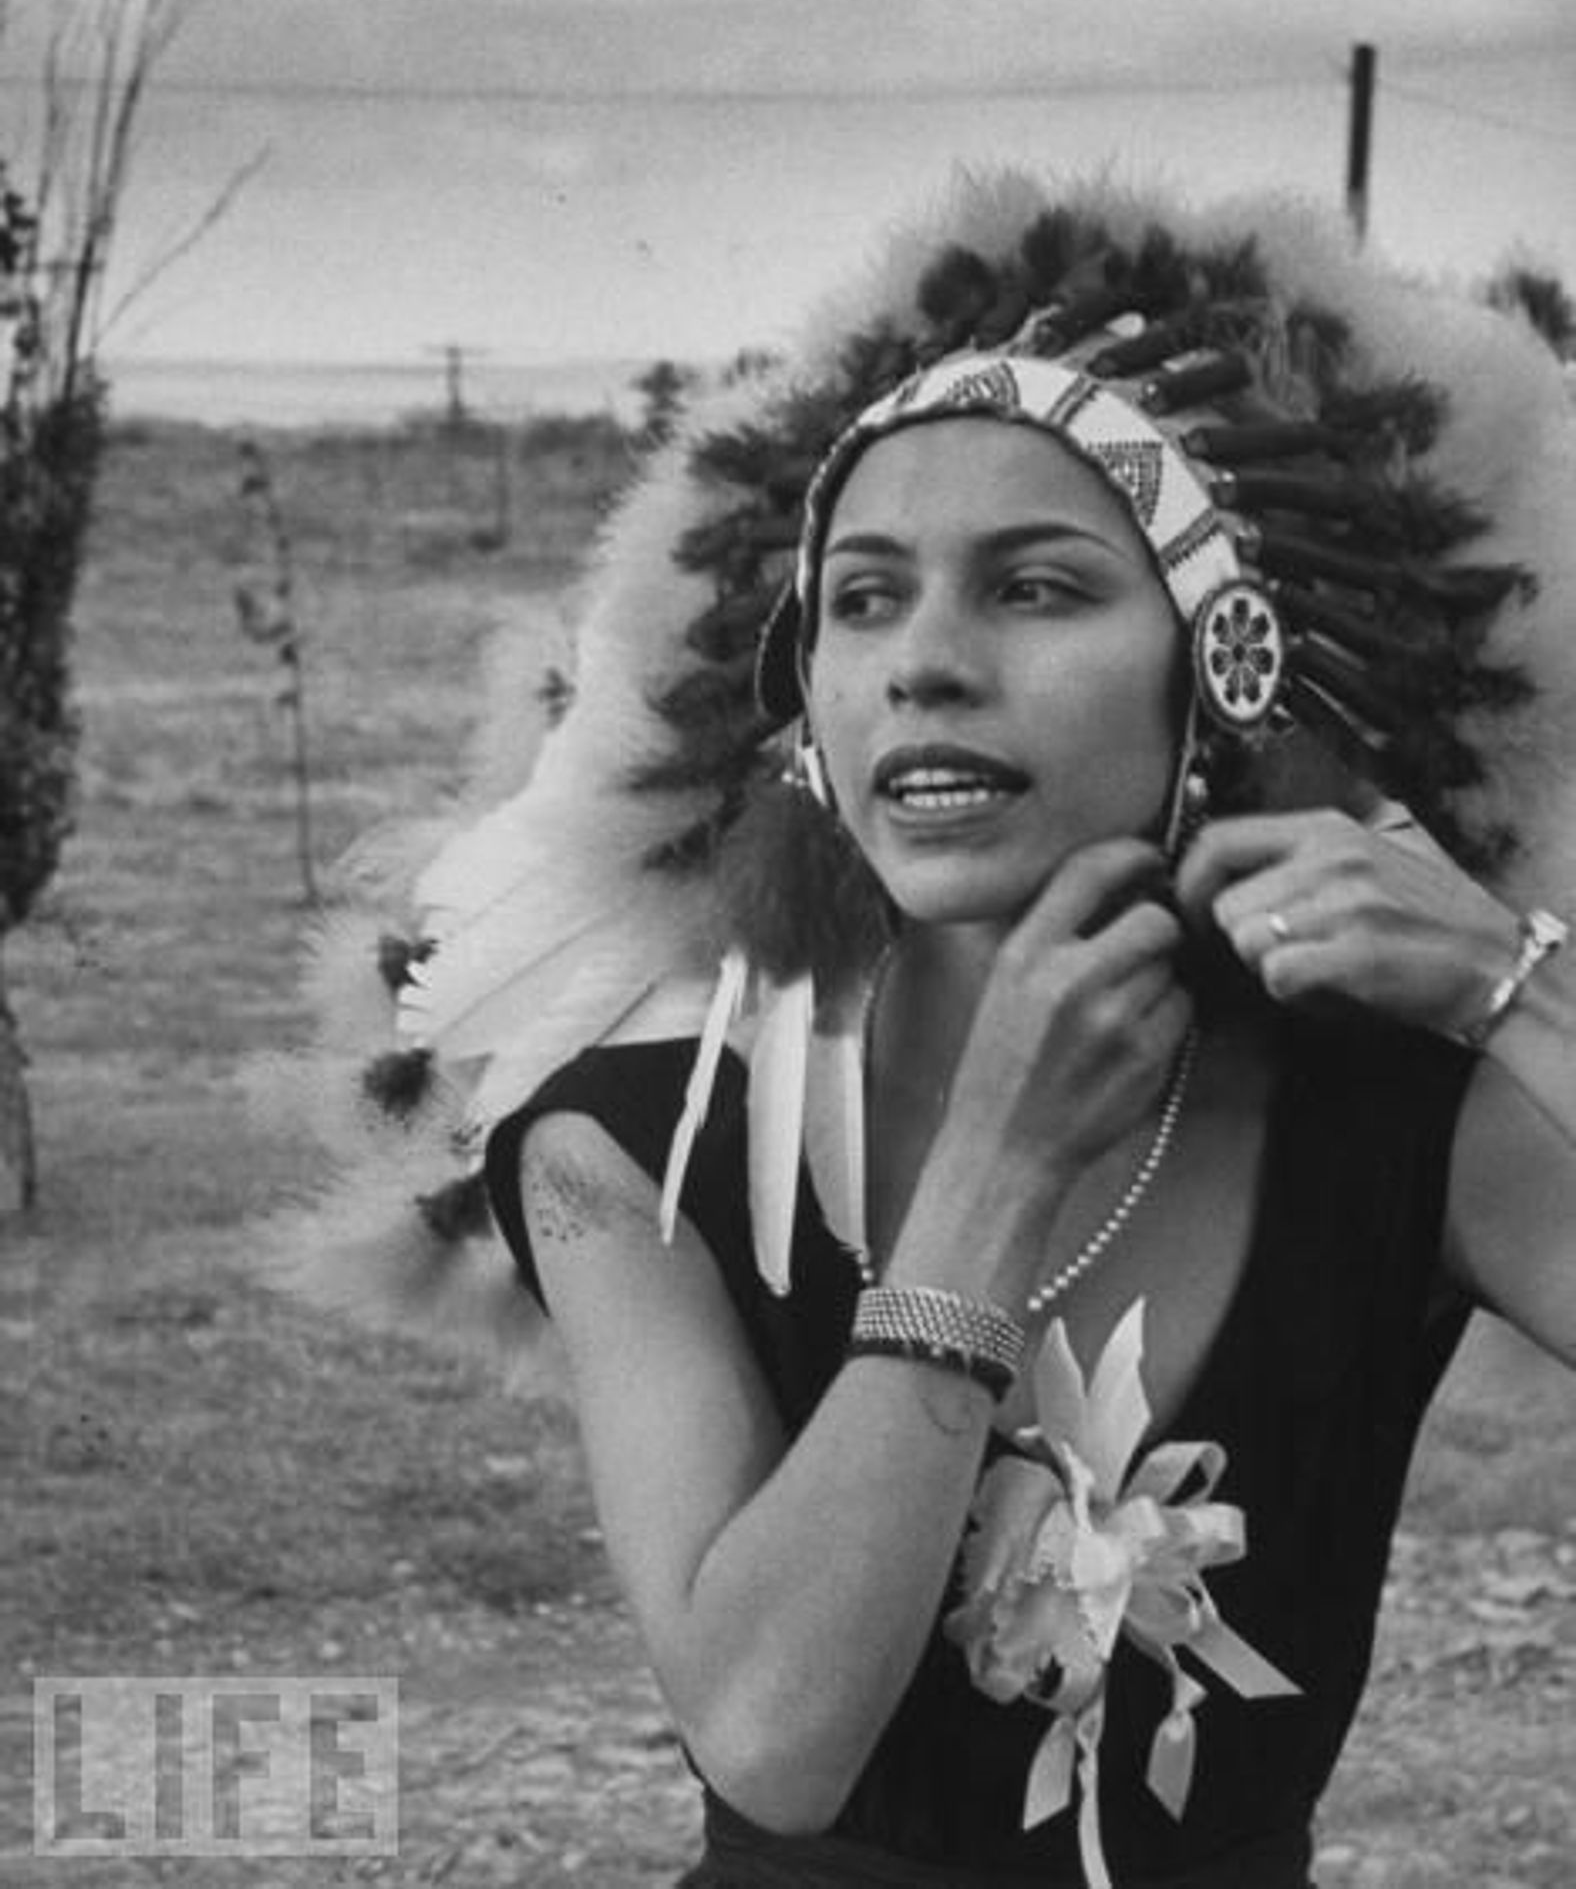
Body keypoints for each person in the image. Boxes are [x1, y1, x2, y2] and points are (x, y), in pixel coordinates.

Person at [276, 173, 1576, 1887]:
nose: (925, 665)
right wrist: (997, 1168)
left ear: (1225, 662)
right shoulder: (630, 1142)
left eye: (1036, 589)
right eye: (866, 599)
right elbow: (766, 1736)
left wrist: (1518, 984)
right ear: (804, 695)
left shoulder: (1393, 1110)